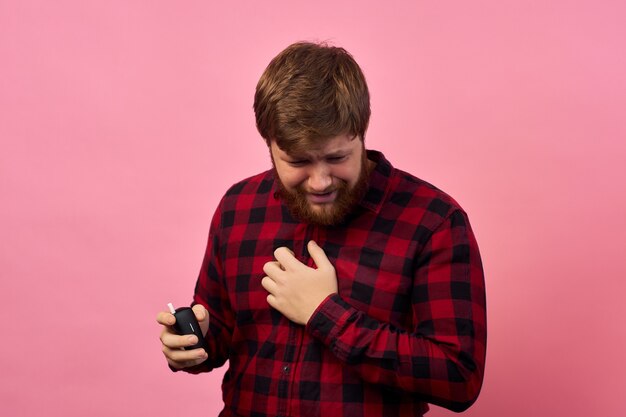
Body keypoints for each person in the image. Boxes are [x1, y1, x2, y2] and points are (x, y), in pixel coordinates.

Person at [157, 41, 486, 417]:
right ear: (269, 144)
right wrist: (190, 345)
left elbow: (460, 378)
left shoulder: (433, 221)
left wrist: (324, 313)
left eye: (336, 158)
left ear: (361, 133)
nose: (319, 182)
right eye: (298, 161)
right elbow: (220, 333)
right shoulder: (238, 207)